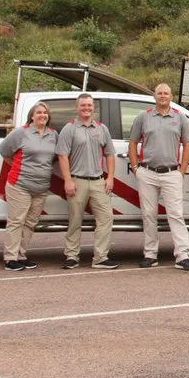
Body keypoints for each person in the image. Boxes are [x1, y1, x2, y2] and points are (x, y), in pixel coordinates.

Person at [128, 84, 189, 272]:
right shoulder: (144, 117)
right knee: (149, 215)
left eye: (166, 93)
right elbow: (133, 143)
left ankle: (182, 256)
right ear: (154, 96)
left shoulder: (180, 117)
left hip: (172, 173)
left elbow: (187, 145)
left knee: (176, 214)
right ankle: (150, 255)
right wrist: (135, 168)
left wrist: (181, 170)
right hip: (147, 172)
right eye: (159, 93)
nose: (163, 96)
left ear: (171, 96)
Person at [57, 94, 118, 270]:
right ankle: (71, 256)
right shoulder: (69, 129)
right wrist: (67, 180)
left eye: (89, 105)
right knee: (75, 220)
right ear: (77, 107)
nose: (86, 108)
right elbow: (62, 156)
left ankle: (100, 257)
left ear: (94, 108)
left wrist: (110, 177)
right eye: (83, 105)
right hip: (77, 181)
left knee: (106, 218)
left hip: (99, 181)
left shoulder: (101, 128)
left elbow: (110, 154)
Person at [0, 102, 57, 271]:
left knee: (30, 223)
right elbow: (4, 152)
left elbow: (52, 159)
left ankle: (21, 255)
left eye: (45, 113)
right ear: (32, 116)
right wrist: (21, 168)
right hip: (20, 185)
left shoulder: (53, 135)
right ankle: (10, 258)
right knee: (16, 221)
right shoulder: (20, 133)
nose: (42, 115)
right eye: (38, 112)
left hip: (41, 187)